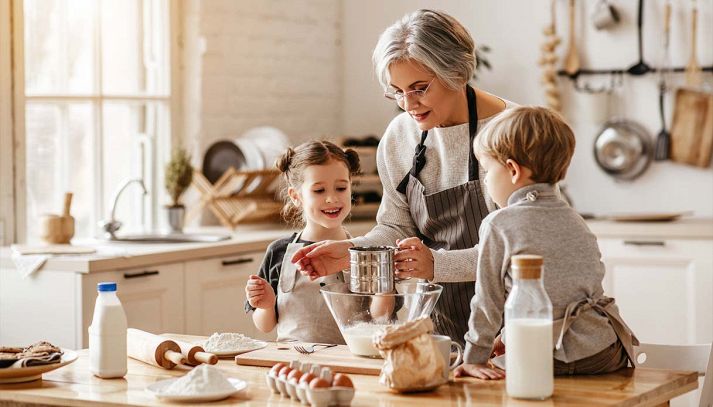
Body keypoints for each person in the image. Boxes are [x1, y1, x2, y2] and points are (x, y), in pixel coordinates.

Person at [291, 9, 515, 345]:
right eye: (396, 91)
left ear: (455, 71)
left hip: (509, 331)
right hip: (434, 330)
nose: (408, 104)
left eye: (419, 88)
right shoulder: (400, 136)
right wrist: (353, 252)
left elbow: (521, 247)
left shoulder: (515, 130)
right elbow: (396, 228)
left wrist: (436, 265)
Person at [455, 106, 638, 380]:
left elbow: (488, 301)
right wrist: (508, 335)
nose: (486, 181)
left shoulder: (499, 223)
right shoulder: (574, 218)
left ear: (512, 170)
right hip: (605, 352)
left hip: (544, 357)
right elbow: (566, 292)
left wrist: (474, 358)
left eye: (487, 171)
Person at [244, 141, 360, 344]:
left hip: (348, 363)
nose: (332, 198)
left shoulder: (363, 251)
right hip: (292, 364)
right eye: (319, 191)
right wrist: (266, 305)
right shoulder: (278, 251)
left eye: (341, 188)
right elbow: (265, 326)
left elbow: (379, 317)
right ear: (296, 196)